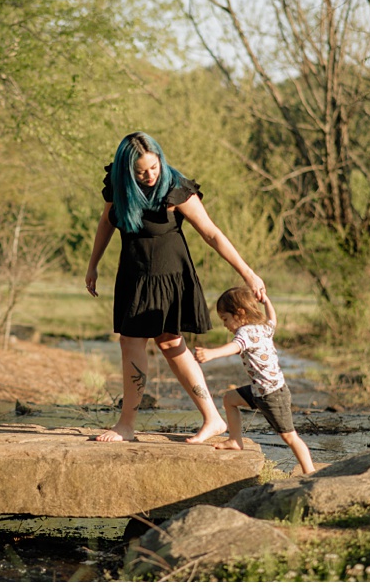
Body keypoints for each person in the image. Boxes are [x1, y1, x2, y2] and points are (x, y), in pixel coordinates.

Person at [85, 131, 266, 443]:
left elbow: (212, 234)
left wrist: (249, 274)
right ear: (128, 170)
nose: (150, 175)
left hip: (169, 275)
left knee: (154, 342)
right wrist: (93, 265)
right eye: (141, 171)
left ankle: (130, 425)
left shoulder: (175, 186)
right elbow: (106, 223)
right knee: (153, 343)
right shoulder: (117, 184)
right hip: (133, 273)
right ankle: (211, 419)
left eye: (154, 167)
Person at [193, 287, 316, 474]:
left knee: (290, 437)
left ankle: (309, 472)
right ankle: (235, 440)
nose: (225, 325)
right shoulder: (264, 327)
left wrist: (211, 353)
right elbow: (273, 319)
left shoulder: (246, 332)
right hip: (259, 390)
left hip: (272, 395)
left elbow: (235, 347)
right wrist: (266, 301)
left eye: (225, 319)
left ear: (240, 313)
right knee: (230, 399)